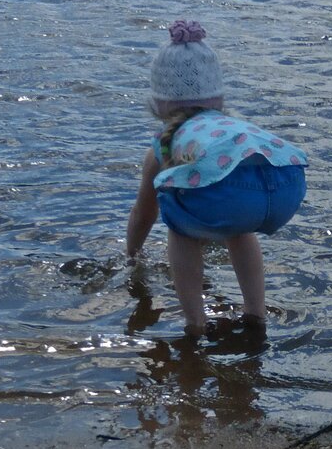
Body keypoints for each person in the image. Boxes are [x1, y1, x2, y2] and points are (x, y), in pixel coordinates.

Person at [126, 19, 307, 338]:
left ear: (160, 103)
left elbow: (144, 212)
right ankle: (256, 313)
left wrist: (132, 254)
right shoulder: (231, 128)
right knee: (240, 230)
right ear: (218, 98)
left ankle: (195, 322)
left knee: (179, 225)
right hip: (287, 183)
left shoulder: (165, 143)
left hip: (231, 196)